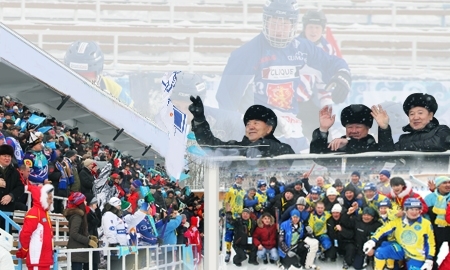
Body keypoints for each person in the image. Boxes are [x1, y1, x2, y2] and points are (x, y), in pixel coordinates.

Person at [215, 0, 352, 153]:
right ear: (266, 22)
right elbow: (227, 99)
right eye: (274, 23)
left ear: (293, 25)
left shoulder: (300, 48)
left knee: (307, 166)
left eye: (285, 24)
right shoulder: (246, 54)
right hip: (260, 130)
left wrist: (342, 75)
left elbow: (331, 62)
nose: (279, 30)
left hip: (291, 127)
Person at [189, 96, 294, 157]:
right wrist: (199, 120)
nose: (251, 127)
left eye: (256, 123)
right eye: (248, 124)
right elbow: (210, 146)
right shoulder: (238, 149)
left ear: (269, 128)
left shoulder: (283, 150)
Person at [363, 198, 435, 270]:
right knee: (380, 251)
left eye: (417, 209)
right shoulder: (399, 220)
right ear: (405, 210)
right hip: (401, 248)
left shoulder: (426, 224)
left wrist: (429, 259)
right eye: (411, 209)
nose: (414, 212)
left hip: (416, 256)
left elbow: (430, 243)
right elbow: (383, 229)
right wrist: (372, 241)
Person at [372, 92, 450, 152]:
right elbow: (388, 153)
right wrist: (384, 128)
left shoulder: (441, 130)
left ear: (430, 115)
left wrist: (402, 147)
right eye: (411, 114)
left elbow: (437, 144)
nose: (415, 117)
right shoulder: (404, 138)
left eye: (420, 113)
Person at [64, 41, 133, 107]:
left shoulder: (113, 90)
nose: (81, 79)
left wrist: (113, 108)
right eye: (75, 74)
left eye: (87, 74)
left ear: (97, 72)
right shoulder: (59, 84)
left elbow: (132, 114)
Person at [310, 104, 392, 153]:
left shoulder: (373, 147)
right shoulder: (338, 145)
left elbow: (387, 152)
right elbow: (317, 155)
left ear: (367, 128)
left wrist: (384, 128)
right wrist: (323, 129)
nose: (353, 131)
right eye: (350, 127)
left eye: (358, 127)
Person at [16, 184, 54, 270]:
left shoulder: (44, 213)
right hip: (37, 260)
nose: (51, 201)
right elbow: (25, 234)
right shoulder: (34, 213)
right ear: (43, 198)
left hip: (44, 260)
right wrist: (24, 250)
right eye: (49, 198)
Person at [63, 192, 98, 270]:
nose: (86, 202)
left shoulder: (79, 215)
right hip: (76, 250)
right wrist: (88, 241)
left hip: (78, 250)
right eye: (84, 201)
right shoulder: (77, 217)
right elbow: (74, 233)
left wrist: (89, 237)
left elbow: (79, 231)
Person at [424, 176, 450, 270]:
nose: (448, 185)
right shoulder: (429, 198)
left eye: (449, 182)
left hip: (449, 228)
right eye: (444, 183)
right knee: (433, 254)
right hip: (435, 230)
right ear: (438, 186)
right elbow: (425, 213)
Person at [0, 144, 24, 230]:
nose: (7, 158)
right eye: (4, 156)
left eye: (9, 156)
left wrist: (11, 196)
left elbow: (20, 187)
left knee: (5, 239)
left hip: (7, 211)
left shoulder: (15, 172)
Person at [222, 174, 246, 263]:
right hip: (231, 215)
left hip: (239, 215)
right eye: (238, 178)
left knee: (239, 234)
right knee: (229, 234)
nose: (240, 180)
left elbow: (244, 202)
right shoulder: (230, 190)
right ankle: (228, 252)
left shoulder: (243, 191)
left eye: (241, 179)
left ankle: (239, 252)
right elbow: (226, 202)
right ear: (235, 179)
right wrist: (227, 213)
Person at [325, 204, 355, 269]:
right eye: (334, 213)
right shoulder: (329, 221)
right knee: (330, 255)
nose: (335, 214)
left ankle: (347, 261)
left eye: (337, 213)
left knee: (351, 247)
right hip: (335, 241)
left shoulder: (346, 220)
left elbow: (351, 234)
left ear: (340, 213)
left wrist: (342, 230)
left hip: (345, 241)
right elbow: (329, 233)